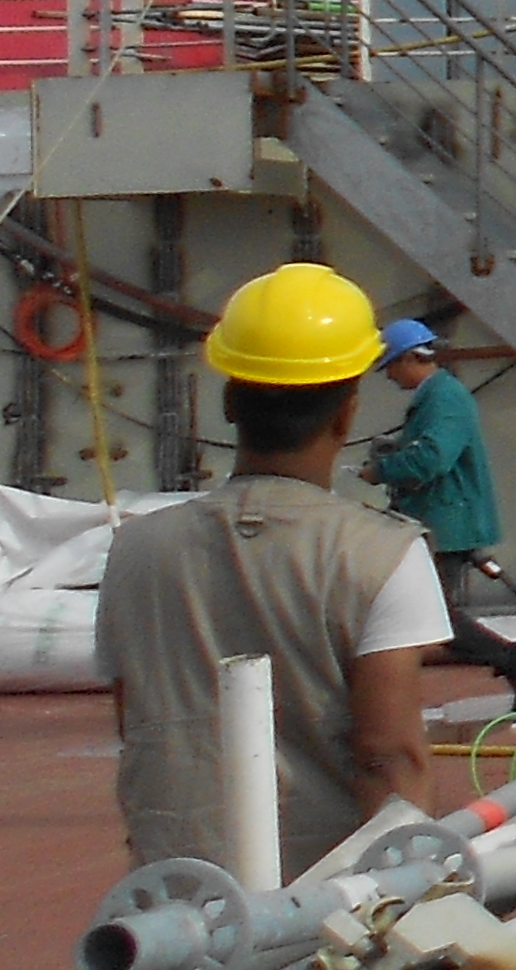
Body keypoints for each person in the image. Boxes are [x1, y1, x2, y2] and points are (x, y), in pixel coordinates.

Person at [99, 262, 442, 878]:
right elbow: (389, 755)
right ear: (347, 414)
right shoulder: (383, 555)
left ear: (229, 401)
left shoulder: (136, 549)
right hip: (327, 915)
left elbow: (139, 723)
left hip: (175, 907)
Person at [369, 318, 516, 712]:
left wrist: (382, 469)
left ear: (415, 358)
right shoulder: (438, 397)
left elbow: (432, 458)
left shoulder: (444, 398)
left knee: (432, 616)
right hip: (441, 519)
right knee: (430, 614)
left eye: (393, 365)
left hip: (445, 522)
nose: (391, 376)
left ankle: (514, 658)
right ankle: (512, 659)